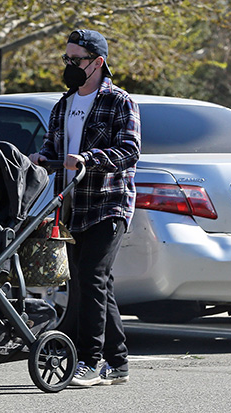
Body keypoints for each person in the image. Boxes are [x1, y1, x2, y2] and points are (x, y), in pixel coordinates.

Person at [29, 29, 141, 387]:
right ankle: (118, 362)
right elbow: (52, 149)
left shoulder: (120, 102)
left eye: (76, 60)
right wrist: (40, 160)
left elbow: (129, 150)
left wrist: (89, 159)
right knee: (91, 282)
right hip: (72, 206)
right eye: (66, 59)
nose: (69, 66)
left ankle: (91, 361)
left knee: (91, 275)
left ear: (98, 62)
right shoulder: (63, 105)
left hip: (108, 203)